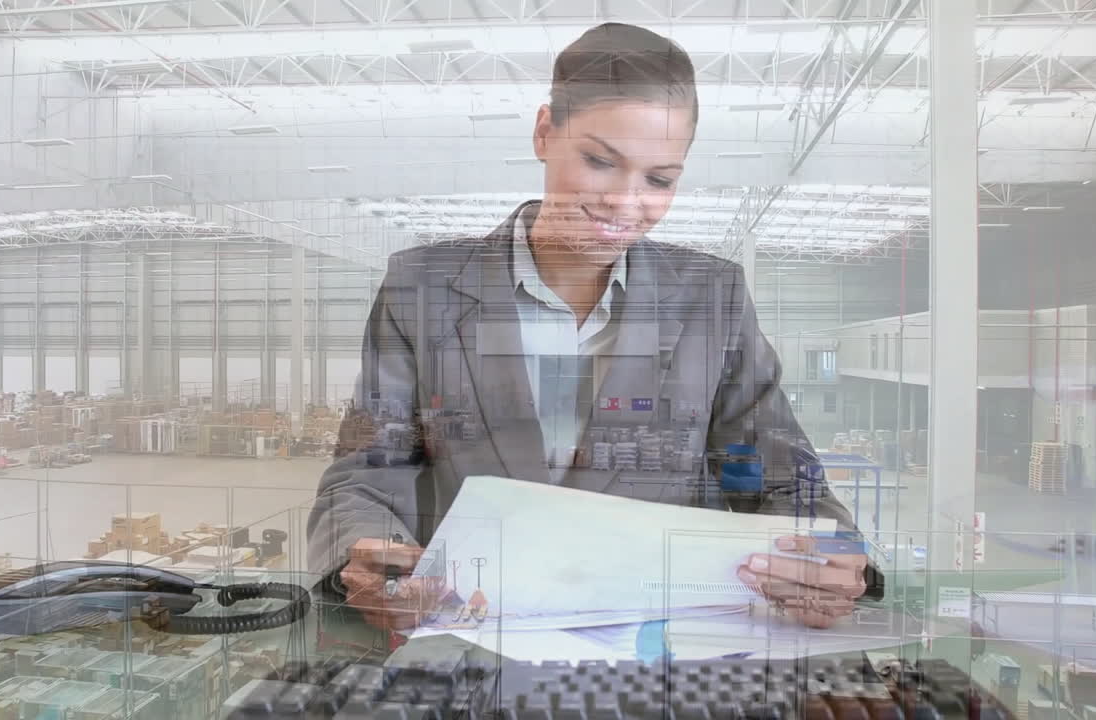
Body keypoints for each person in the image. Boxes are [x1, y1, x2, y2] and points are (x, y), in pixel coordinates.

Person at [309, 22, 880, 633]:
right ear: (543, 132)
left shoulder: (712, 298)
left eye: (659, 179)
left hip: (654, 650)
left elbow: (782, 476)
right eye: (600, 162)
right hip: (471, 640)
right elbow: (368, 471)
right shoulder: (420, 288)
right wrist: (369, 556)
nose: (625, 201)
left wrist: (837, 556)